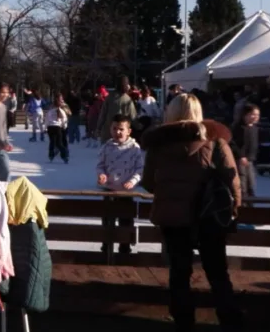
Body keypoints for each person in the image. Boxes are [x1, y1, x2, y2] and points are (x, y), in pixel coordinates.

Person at [140, 93, 243, 331]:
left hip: (173, 217)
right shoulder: (216, 142)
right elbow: (231, 179)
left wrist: (170, 190)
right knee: (217, 272)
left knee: (179, 273)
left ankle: (183, 321)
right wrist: (233, 208)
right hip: (209, 216)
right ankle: (230, 319)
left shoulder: (158, 145)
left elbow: (148, 182)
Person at [96, 114, 144, 255]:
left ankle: (125, 247)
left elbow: (140, 169)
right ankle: (106, 246)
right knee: (107, 221)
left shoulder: (134, 148)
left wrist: (133, 180)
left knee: (126, 221)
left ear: (128, 131)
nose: (118, 132)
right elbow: (100, 165)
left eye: (121, 129)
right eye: (114, 128)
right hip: (109, 190)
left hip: (126, 192)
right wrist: (101, 174)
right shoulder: (107, 147)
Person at [231, 103, 259, 199]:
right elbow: (233, 144)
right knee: (242, 184)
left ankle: (251, 205)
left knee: (251, 184)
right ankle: (243, 205)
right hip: (240, 160)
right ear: (245, 115)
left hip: (250, 160)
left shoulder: (254, 129)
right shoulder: (238, 128)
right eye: (252, 114)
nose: (255, 117)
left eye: (257, 115)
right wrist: (240, 155)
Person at [98, 76, 138, 143]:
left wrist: (98, 128)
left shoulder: (109, 97)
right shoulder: (128, 99)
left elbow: (103, 115)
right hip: (122, 135)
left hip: (108, 133)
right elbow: (133, 117)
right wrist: (139, 127)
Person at [45, 94, 70, 163]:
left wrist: (45, 127)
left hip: (50, 127)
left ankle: (51, 155)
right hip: (57, 127)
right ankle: (64, 155)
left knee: (52, 142)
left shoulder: (50, 111)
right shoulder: (61, 111)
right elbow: (64, 120)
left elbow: (47, 119)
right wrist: (64, 126)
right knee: (59, 143)